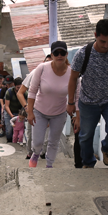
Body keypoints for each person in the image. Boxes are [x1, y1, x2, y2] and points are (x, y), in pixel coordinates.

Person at [67, 18, 108, 168]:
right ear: (96, 35)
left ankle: (107, 148)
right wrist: (71, 103)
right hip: (88, 103)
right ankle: (89, 163)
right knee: (85, 137)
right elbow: (73, 79)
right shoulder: (83, 54)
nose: (106, 46)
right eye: (103, 41)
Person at [27, 41, 72, 169]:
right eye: (56, 53)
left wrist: (75, 111)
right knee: (38, 141)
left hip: (59, 113)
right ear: (51, 55)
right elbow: (32, 91)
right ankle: (35, 153)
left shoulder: (71, 72)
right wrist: (30, 112)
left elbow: (77, 93)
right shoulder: (42, 68)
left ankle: (49, 165)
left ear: (66, 54)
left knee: (53, 141)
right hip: (40, 111)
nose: (59, 56)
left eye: (62, 53)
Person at [18, 54, 51, 159]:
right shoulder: (35, 73)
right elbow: (20, 93)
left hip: (50, 110)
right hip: (34, 109)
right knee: (31, 134)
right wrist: (26, 107)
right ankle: (30, 153)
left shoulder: (58, 76)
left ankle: (42, 153)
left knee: (46, 136)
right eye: (47, 62)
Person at [3, 77, 24, 143]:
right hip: (9, 112)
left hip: (19, 113)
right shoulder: (9, 92)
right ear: (14, 86)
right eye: (18, 87)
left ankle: (17, 141)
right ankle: (9, 141)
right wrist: (11, 115)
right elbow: (6, 106)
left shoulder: (25, 92)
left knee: (20, 130)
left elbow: (26, 105)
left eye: (20, 87)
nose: (19, 89)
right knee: (9, 130)